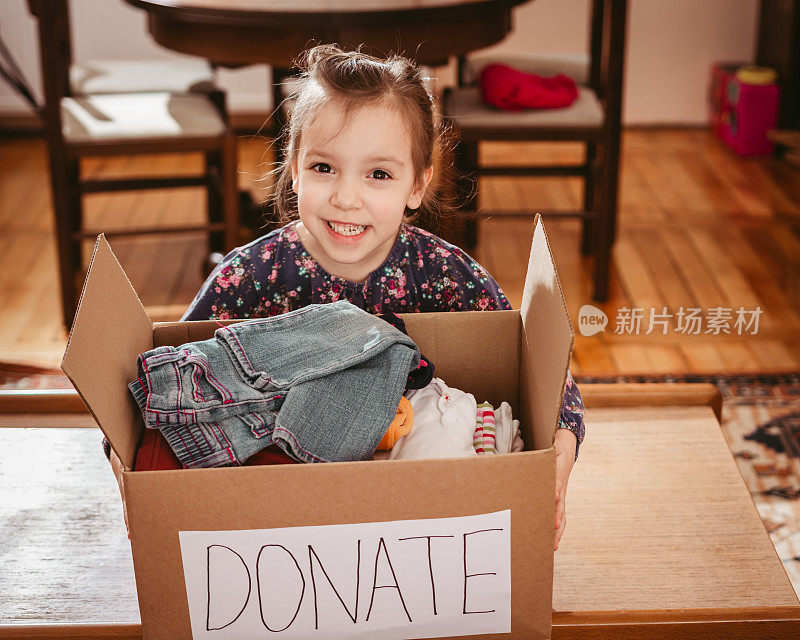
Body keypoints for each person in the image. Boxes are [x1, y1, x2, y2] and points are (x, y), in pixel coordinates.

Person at [117, 44, 585, 550]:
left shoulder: (445, 273)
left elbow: (551, 380)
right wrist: (134, 484)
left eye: (378, 174)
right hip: (279, 533)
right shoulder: (249, 275)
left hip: (411, 538)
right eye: (324, 167)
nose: (346, 197)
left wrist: (559, 457)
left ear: (417, 185)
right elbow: (168, 384)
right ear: (293, 167)